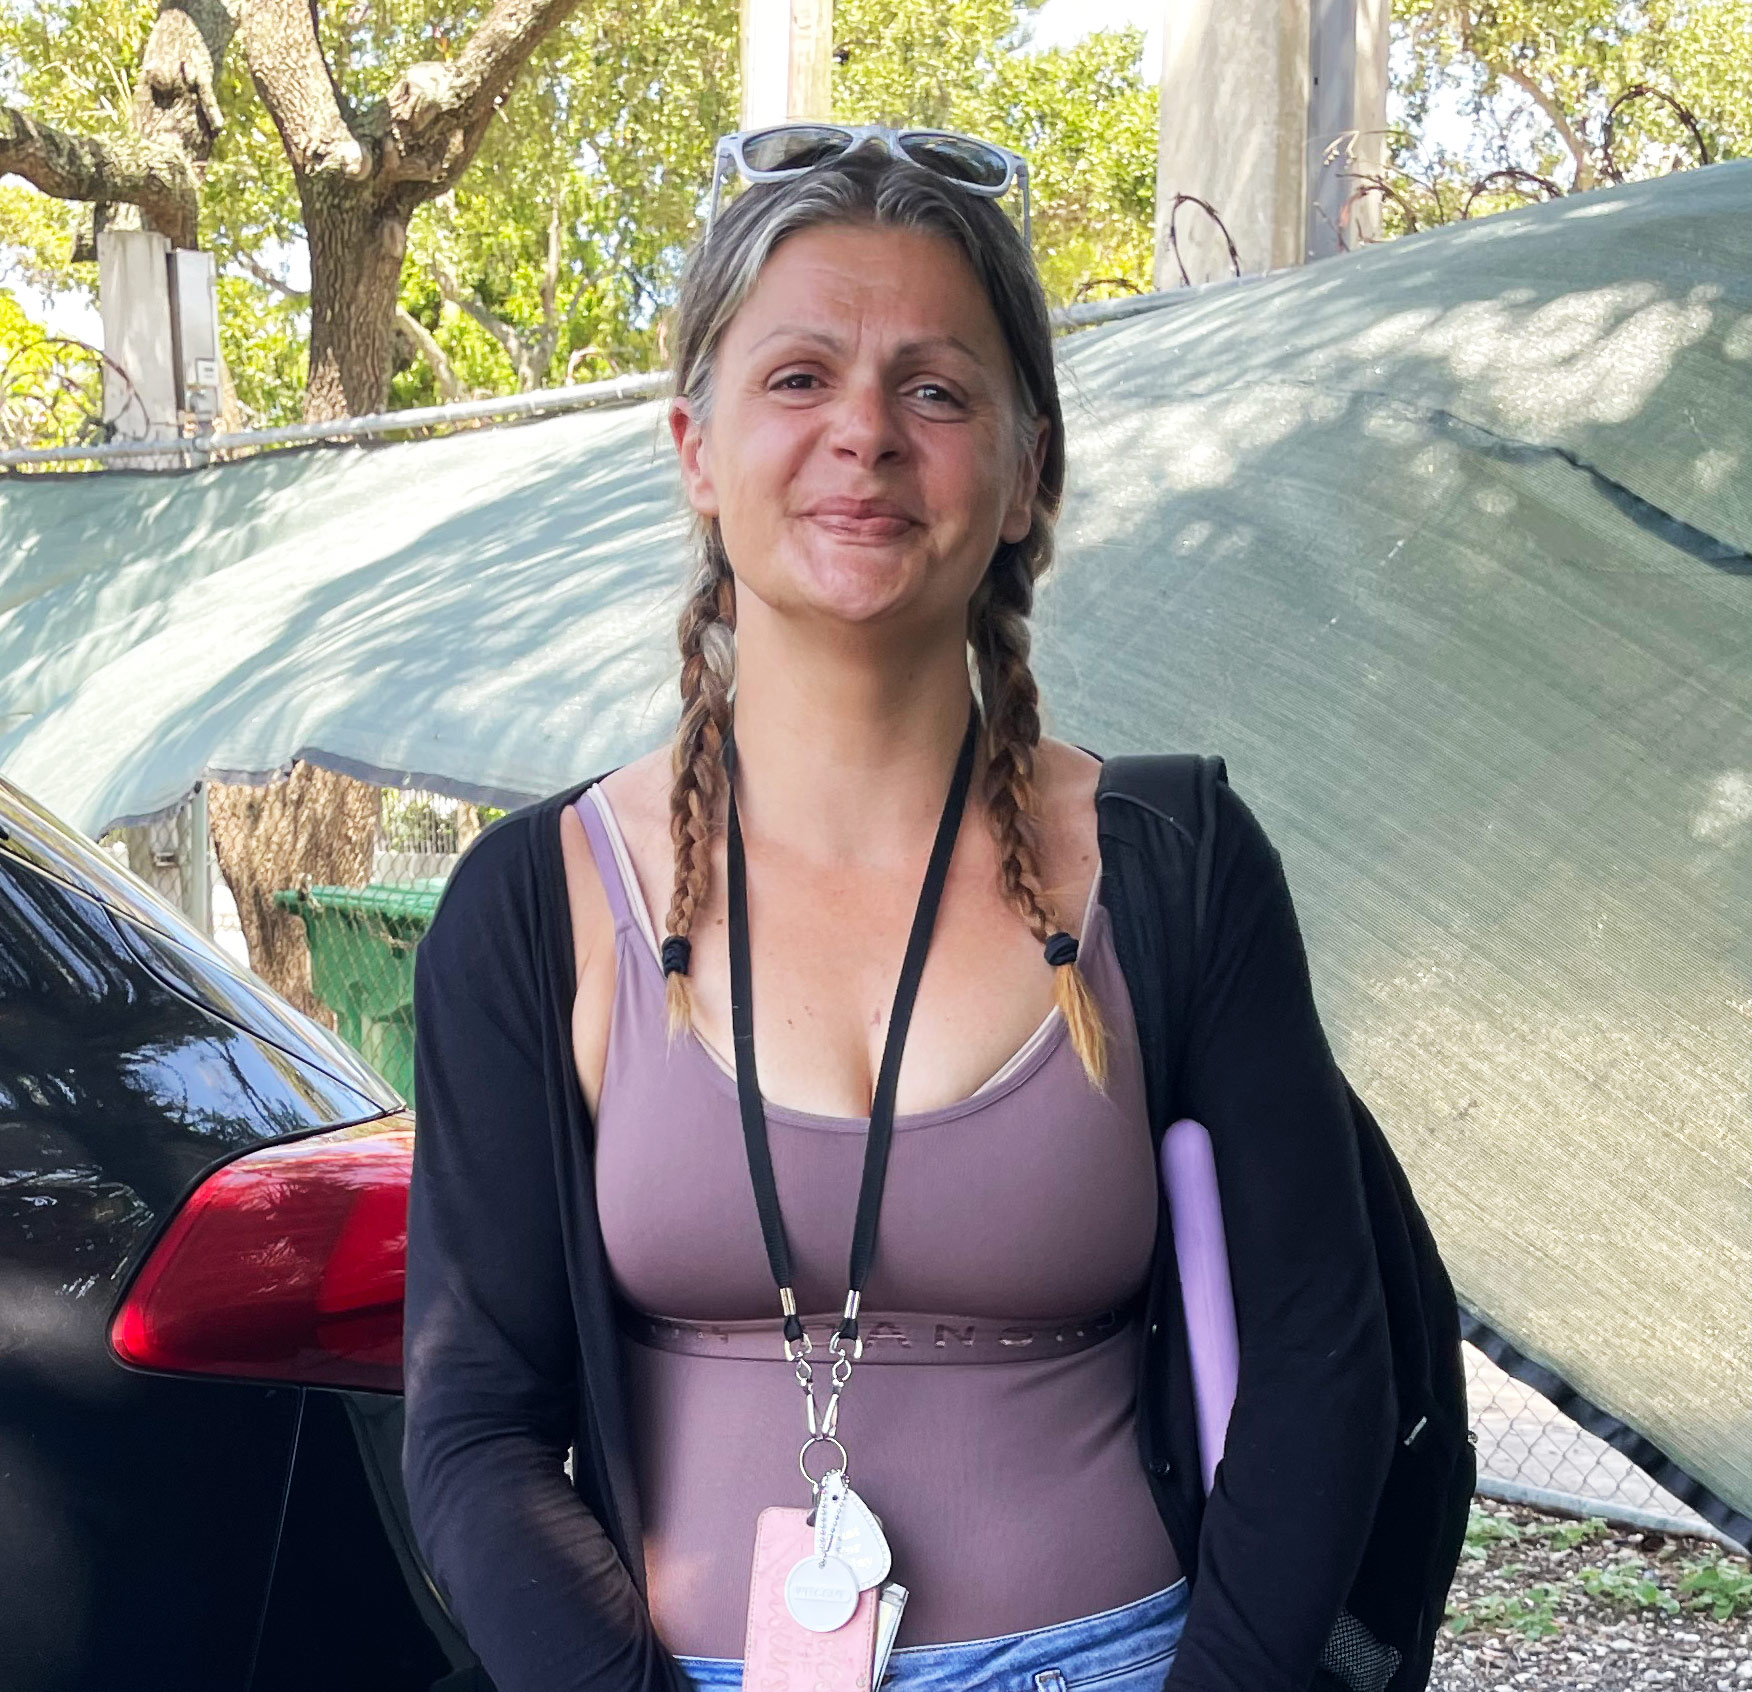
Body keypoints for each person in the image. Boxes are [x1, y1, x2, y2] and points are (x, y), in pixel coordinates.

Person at [403, 127, 1397, 1692]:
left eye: (936, 388)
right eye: (797, 378)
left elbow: (1324, 1367)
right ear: (694, 447)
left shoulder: (1174, 863)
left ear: (1027, 473)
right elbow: (472, 1423)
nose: (863, 433)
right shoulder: (537, 911)